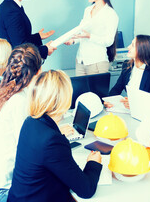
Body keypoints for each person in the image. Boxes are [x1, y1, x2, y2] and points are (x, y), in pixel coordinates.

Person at [7, 70, 102, 202]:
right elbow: (86, 190)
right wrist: (93, 163)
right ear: (63, 99)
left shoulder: (30, 122)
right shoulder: (51, 140)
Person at [0, 43, 42, 202]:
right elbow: (28, 151)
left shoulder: (8, 92)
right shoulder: (19, 102)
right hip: (5, 188)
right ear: (38, 72)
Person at [65, 0, 119, 75]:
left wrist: (90, 36)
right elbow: (82, 33)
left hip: (97, 62)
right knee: (81, 91)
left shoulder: (110, 14)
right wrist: (72, 41)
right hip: (80, 61)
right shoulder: (87, 10)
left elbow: (109, 41)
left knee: (96, 91)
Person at [105, 35, 150, 109]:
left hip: (145, 109)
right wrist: (109, 100)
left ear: (143, 49)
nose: (128, 47)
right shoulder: (127, 65)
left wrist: (134, 103)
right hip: (129, 108)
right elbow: (117, 88)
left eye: (132, 45)